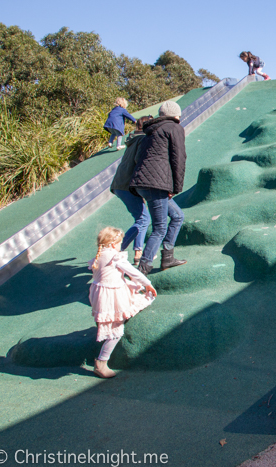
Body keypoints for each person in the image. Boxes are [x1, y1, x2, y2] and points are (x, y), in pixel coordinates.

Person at [88, 227, 156, 378]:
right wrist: (147, 283)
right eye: (119, 242)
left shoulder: (99, 256)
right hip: (111, 295)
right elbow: (134, 272)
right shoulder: (114, 256)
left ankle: (102, 350)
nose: (120, 246)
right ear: (113, 243)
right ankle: (101, 363)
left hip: (100, 293)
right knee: (115, 332)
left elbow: (108, 276)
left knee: (109, 320)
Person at [130, 101, 188, 275]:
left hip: (143, 183)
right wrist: (175, 187)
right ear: (176, 115)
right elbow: (179, 158)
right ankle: (143, 269)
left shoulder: (150, 132)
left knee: (177, 216)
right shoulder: (174, 127)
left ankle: (167, 257)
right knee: (160, 228)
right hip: (156, 184)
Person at [110, 116, 153, 264]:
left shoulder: (133, 139)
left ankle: (137, 252)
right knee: (143, 219)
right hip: (126, 185)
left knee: (142, 218)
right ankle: (116, 249)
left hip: (121, 184)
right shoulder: (142, 140)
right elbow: (139, 162)